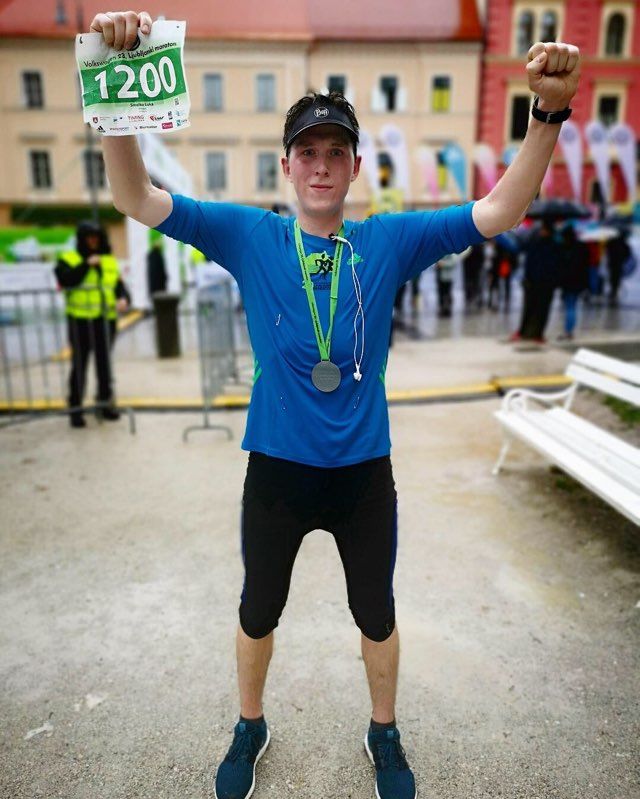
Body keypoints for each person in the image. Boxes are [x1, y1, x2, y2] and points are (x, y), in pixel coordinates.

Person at [90, 11, 580, 798]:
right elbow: (136, 197)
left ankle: (383, 729)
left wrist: (547, 115)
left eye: (336, 152)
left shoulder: (388, 242)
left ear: (353, 166)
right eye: (308, 151)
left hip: (361, 473)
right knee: (258, 606)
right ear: (287, 163)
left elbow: (498, 212)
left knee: (376, 609)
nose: (321, 164)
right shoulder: (248, 234)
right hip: (277, 468)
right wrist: (116, 102)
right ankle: (250, 723)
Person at [54, 220, 130, 427]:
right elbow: (67, 280)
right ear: (82, 239)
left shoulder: (109, 261)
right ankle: (75, 408)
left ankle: (105, 405)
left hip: (105, 321)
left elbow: (119, 286)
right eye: (90, 238)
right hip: (80, 322)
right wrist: (87, 264)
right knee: (79, 366)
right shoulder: (68, 259)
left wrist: (123, 298)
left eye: (97, 237)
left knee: (104, 366)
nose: (94, 241)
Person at [509, 219, 561, 344]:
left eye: (544, 230)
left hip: (546, 282)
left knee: (542, 309)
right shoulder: (535, 241)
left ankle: (538, 333)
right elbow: (523, 250)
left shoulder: (554, 244)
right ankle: (523, 331)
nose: (542, 232)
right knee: (529, 307)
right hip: (532, 280)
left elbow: (556, 265)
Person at [557, 225, 589, 340]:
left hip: (567, 282)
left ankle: (568, 331)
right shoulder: (581, 247)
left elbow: (560, 266)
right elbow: (586, 266)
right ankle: (569, 330)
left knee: (569, 306)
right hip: (578, 282)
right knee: (572, 306)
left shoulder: (563, 247)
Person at [605, 230, 631, 307]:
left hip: (613, 263)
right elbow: (628, 253)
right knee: (616, 278)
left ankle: (613, 291)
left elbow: (607, 249)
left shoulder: (612, 241)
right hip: (618, 264)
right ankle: (614, 291)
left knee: (613, 277)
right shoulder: (624, 244)